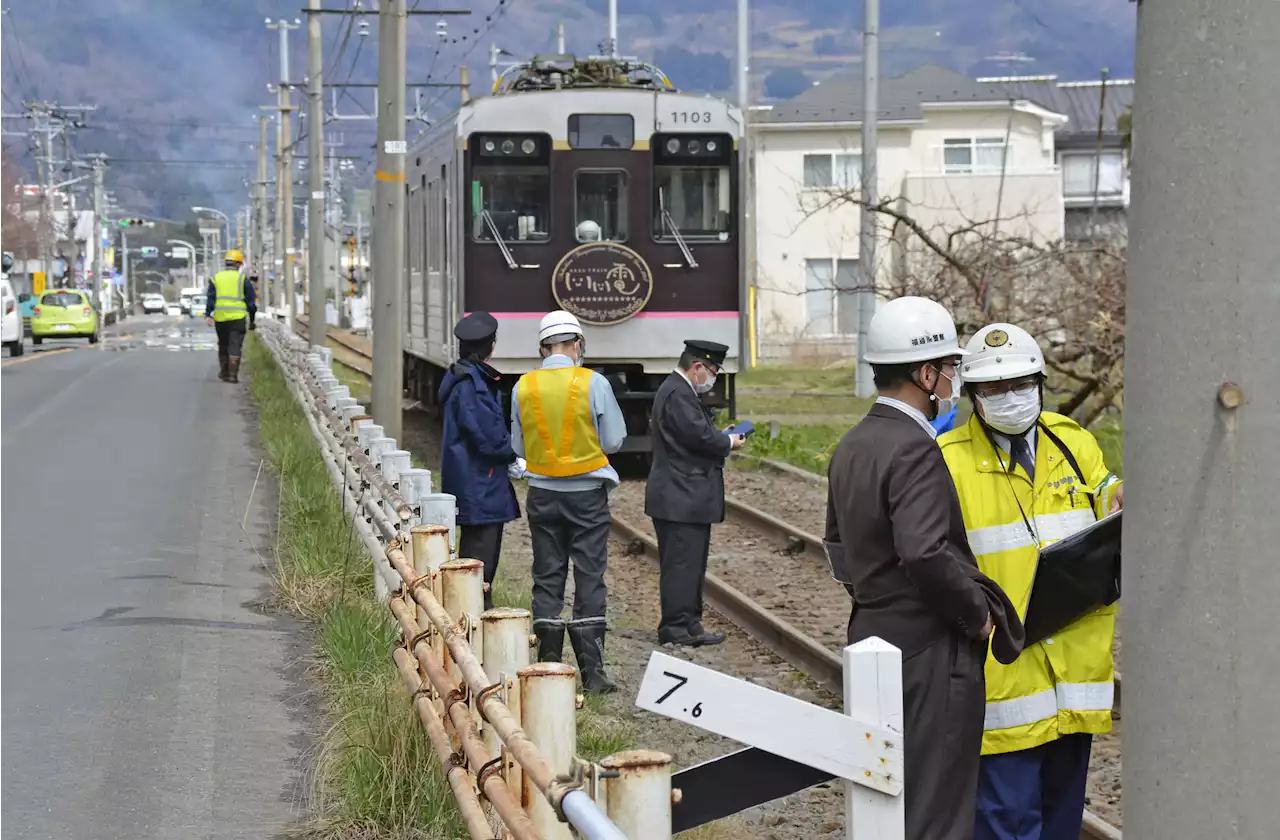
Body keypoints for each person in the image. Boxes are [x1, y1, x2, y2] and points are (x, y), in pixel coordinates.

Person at [823, 296, 1023, 840]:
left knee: (890, 796)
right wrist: (976, 615)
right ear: (924, 371)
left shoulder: (853, 444)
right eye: (951, 367)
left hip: (872, 639)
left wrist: (878, 598)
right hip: (932, 653)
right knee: (936, 805)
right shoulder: (914, 447)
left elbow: (837, 547)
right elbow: (925, 551)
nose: (954, 379)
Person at [936, 323, 1122, 840]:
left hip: (1075, 671)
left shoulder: (1073, 443)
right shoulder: (948, 463)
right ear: (973, 396)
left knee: (1062, 814)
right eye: (994, 389)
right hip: (1006, 675)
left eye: (1020, 384)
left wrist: (1119, 493)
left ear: (1040, 383)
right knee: (1005, 818)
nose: (1010, 397)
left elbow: (1106, 495)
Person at [511, 309, 626, 694]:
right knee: (589, 576)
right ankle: (593, 676)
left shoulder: (523, 386)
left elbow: (516, 447)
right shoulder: (594, 383)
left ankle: (547, 670)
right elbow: (612, 442)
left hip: (542, 496)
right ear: (578, 344)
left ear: (543, 348)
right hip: (587, 497)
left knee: (547, 575)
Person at [646, 339, 745, 646]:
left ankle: (690, 623)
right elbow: (697, 436)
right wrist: (727, 442)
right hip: (680, 496)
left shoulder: (680, 391)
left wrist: (719, 438)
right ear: (698, 366)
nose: (713, 377)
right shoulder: (678, 393)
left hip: (686, 496)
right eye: (713, 370)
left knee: (691, 563)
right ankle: (675, 627)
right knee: (681, 564)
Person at [438, 312, 524, 611]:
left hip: (471, 479)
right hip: (481, 484)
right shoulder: (471, 384)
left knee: (474, 554)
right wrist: (512, 456)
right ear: (489, 346)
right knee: (480, 559)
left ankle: (471, 611)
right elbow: (487, 435)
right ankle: (474, 617)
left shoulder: (461, 377)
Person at [204, 250, 256, 383]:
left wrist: (208, 314)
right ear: (239, 264)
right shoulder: (242, 279)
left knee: (223, 345)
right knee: (235, 346)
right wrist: (252, 319)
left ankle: (224, 372)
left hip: (221, 319)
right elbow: (251, 302)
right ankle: (233, 375)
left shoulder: (216, 278)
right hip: (238, 318)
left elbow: (211, 298)